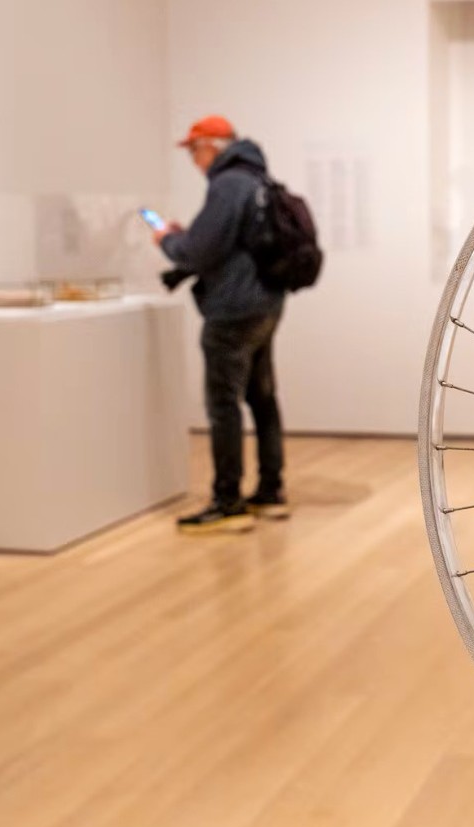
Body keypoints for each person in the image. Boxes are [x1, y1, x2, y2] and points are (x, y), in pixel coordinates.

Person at [155, 115, 289, 534]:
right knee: (262, 398)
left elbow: (199, 251)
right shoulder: (257, 179)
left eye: (193, 151)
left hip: (233, 309)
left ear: (210, 146)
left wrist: (167, 240)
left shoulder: (228, 183)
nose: (194, 161)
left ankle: (228, 501)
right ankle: (270, 492)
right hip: (265, 303)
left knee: (223, 404)